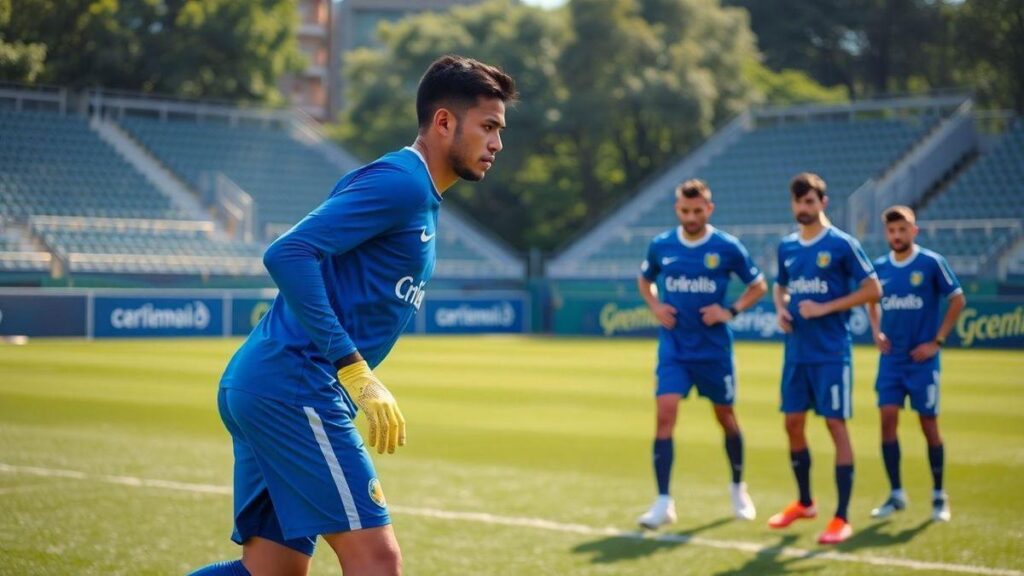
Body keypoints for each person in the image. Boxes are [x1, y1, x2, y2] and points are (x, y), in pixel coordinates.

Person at [188, 55, 516, 576]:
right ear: (444, 122)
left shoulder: (417, 195)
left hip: (267, 384)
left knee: (272, 572)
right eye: (489, 127)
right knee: (377, 561)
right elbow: (287, 253)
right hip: (296, 387)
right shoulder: (402, 183)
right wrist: (352, 367)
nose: (498, 143)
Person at [636, 179, 768, 529]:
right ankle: (663, 501)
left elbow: (759, 285)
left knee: (725, 416)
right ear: (677, 209)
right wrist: (654, 305)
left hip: (713, 350)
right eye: (684, 210)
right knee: (665, 413)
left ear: (709, 209)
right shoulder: (661, 245)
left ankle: (739, 488)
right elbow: (644, 279)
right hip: (674, 348)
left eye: (697, 211)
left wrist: (731, 311)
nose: (690, 216)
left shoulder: (727, 247)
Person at [767, 172, 881, 544]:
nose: (803, 209)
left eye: (810, 202)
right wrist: (781, 309)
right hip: (796, 353)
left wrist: (827, 307)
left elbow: (873, 289)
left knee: (835, 426)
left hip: (831, 353)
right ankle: (804, 502)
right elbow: (779, 285)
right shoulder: (787, 246)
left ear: (823, 202)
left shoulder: (843, 244)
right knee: (793, 424)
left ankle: (842, 517)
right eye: (798, 203)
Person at [867, 206, 965, 522]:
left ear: (914, 230)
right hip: (891, 361)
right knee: (887, 421)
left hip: (922, 362)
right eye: (892, 231)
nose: (897, 236)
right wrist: (876, 330)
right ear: (886, 234)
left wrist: (936, 342)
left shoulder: (932, 263)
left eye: (903, 230)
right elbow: (870, 299)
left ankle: (939, 495)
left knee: (928, 425)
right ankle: (896, 494)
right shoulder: (879, 267)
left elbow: (957, 299)